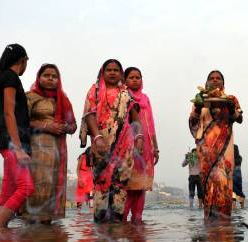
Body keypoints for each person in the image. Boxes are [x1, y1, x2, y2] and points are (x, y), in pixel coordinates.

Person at [80, 59, 142, 223]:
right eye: (109, 70)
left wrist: (139, 137)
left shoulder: (126, 92)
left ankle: (117, 223)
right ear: (103, 72)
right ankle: (100, 226)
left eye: (116, 70)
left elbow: (135, 116)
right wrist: (98, 137)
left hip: (125, 144)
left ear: (121, 73)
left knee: (120, 183)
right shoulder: (95, 91)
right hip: (102, 142)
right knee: (101, 181)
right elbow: (89, 114)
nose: (113, 72)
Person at [0, 44, 34, 228]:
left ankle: (0, 240)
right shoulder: (11, 77)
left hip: (4, 138)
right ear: (23, 60)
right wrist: (19, 148)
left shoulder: (2, 76)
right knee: (26, 187)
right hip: (10, 140)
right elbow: (9, 113)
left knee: (8, 190)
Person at [24, 64, 77, 223]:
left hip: (58, 151)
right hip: (36, 149)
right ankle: (31, 228)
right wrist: (47, 126)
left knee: (53, 187)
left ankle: (47, 235)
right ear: (39, 78)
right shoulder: (30, 97)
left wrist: (66, 127)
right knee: (37, 184)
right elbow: (22, 122)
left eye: (54, 76)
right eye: (46, 75)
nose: (50, 79)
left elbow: (73, 125)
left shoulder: (63, 99)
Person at [189, 71, 243, 220]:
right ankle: (210, 222)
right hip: (206, 150)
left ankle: (224, 223)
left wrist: (232, 109)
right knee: (208, 184)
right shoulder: (200, 99)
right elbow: (193, 124)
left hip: (225, 149)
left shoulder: (230, 99)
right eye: (211, 78)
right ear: (206, 83)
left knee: (223, 181)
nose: (215, 81)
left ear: (223, 83)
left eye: (218, 78)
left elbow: (239, 119)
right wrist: (199, 108)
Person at [123, 67, 159, 224]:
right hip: (128, 146)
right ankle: (122, 220)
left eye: (138, 77)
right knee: (127, 185)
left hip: (146, 148)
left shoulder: (145, 99)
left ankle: (137, 220)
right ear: (125, 80)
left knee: (141, 185)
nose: (135, 79)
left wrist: (155, 147)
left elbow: (151, 124)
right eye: (131, 77)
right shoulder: (123, 97)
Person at [232, 144, 246, 209]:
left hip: (233, 175)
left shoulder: (230, 157)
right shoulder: (240, 158)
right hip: (239, 176)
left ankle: (234, 206)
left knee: (233, 191)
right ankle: (242, 206)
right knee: (239, 189)